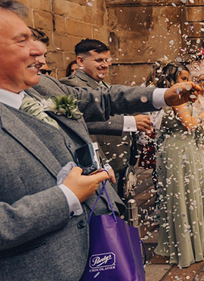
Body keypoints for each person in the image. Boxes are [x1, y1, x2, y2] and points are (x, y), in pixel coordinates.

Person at [0, 0, 198, 281]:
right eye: (22, 40)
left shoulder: (39, 90)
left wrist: (162, 96)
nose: (38, 50)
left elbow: (97, 100)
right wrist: (66, 196)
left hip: (87, 263)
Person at [153, 62, 204, 268]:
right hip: (180, 150)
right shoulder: (175, 99)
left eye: (187, 78)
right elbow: (190, 124)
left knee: (190, 192)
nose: (188, 83)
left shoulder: (174, 97)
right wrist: (203, 114)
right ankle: (187, 245)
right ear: (172, 81)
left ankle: (192, 239)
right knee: (185, 193)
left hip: (183, 147)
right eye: (183, 79)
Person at [60, 39, 154, 188]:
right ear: (80, 61)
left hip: (120, 163)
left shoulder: (104, 86)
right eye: (98, 60)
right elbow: (83, 123)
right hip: (99, 167)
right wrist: (129, 122)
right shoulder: (71, 86)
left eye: (107, 60)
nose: (105, 64)